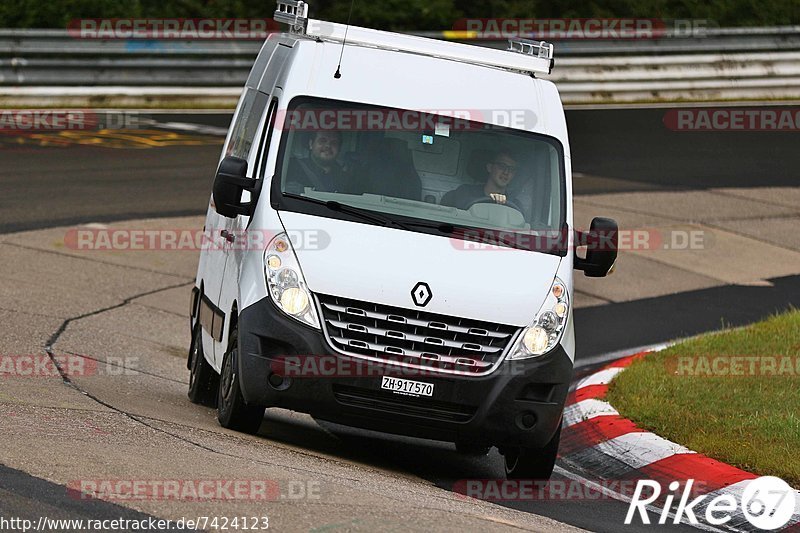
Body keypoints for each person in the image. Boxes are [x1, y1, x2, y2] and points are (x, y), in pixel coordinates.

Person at [441, 151, 520, 210]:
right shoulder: (464, 192)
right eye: (502, 166)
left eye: (511, 169)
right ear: (490, 168)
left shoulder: (515, 205)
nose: (506, 172)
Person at [285, 130, 352, 194]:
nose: (328, 146)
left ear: (339, 149)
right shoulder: (292, 167)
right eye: (322, 141)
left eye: (334, 143)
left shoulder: (347, 177)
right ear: (311, 144)